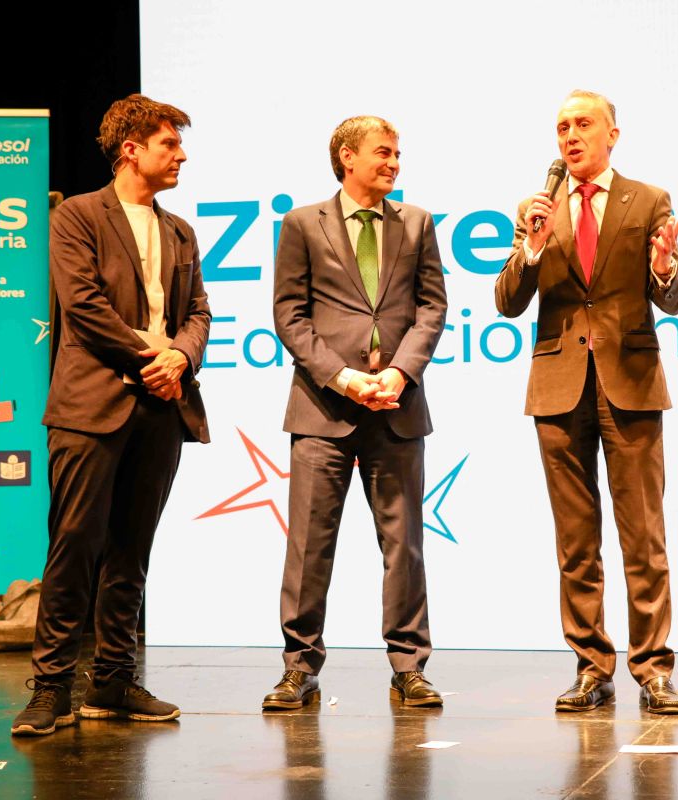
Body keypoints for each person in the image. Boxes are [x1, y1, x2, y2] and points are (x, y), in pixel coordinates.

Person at [12, 94, 211, 736]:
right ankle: (51, 688)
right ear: (131, 150)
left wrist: (180, 356)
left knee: (132, 549)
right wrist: (153, 354)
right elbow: (83, 304)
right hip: (91, 405)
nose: (181, 156)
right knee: (75, 544)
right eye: (169, 144)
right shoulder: (78, 215)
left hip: (161, 406)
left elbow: (198, 312)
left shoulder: (180, 231)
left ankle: (113, 681)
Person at [495, 90, 678, 715]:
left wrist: (664, 268)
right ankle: (590, 668)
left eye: (583, 124)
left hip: (629, 382)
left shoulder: (648, 200)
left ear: (613, 135)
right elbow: (507, 302)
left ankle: (653, 670)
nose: (570, 136)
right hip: (558, 387)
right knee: (575, 543)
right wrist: (530, 248)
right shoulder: (537, 208)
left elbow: (676, 298)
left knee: (643, 536)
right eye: (561, 128)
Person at [264, 115, 448, 711]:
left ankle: (409, 667)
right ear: (347, 157)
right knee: (309, 547)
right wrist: (342, 377)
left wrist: (400, 372)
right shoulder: (302, 223)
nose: (394, 163)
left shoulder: (417, 222)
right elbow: (289, 315)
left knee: (404, 546)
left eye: (397, 154)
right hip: (323, 409)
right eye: (383, 153)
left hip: (396, 406)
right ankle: (299, 667)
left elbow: (432, 309)